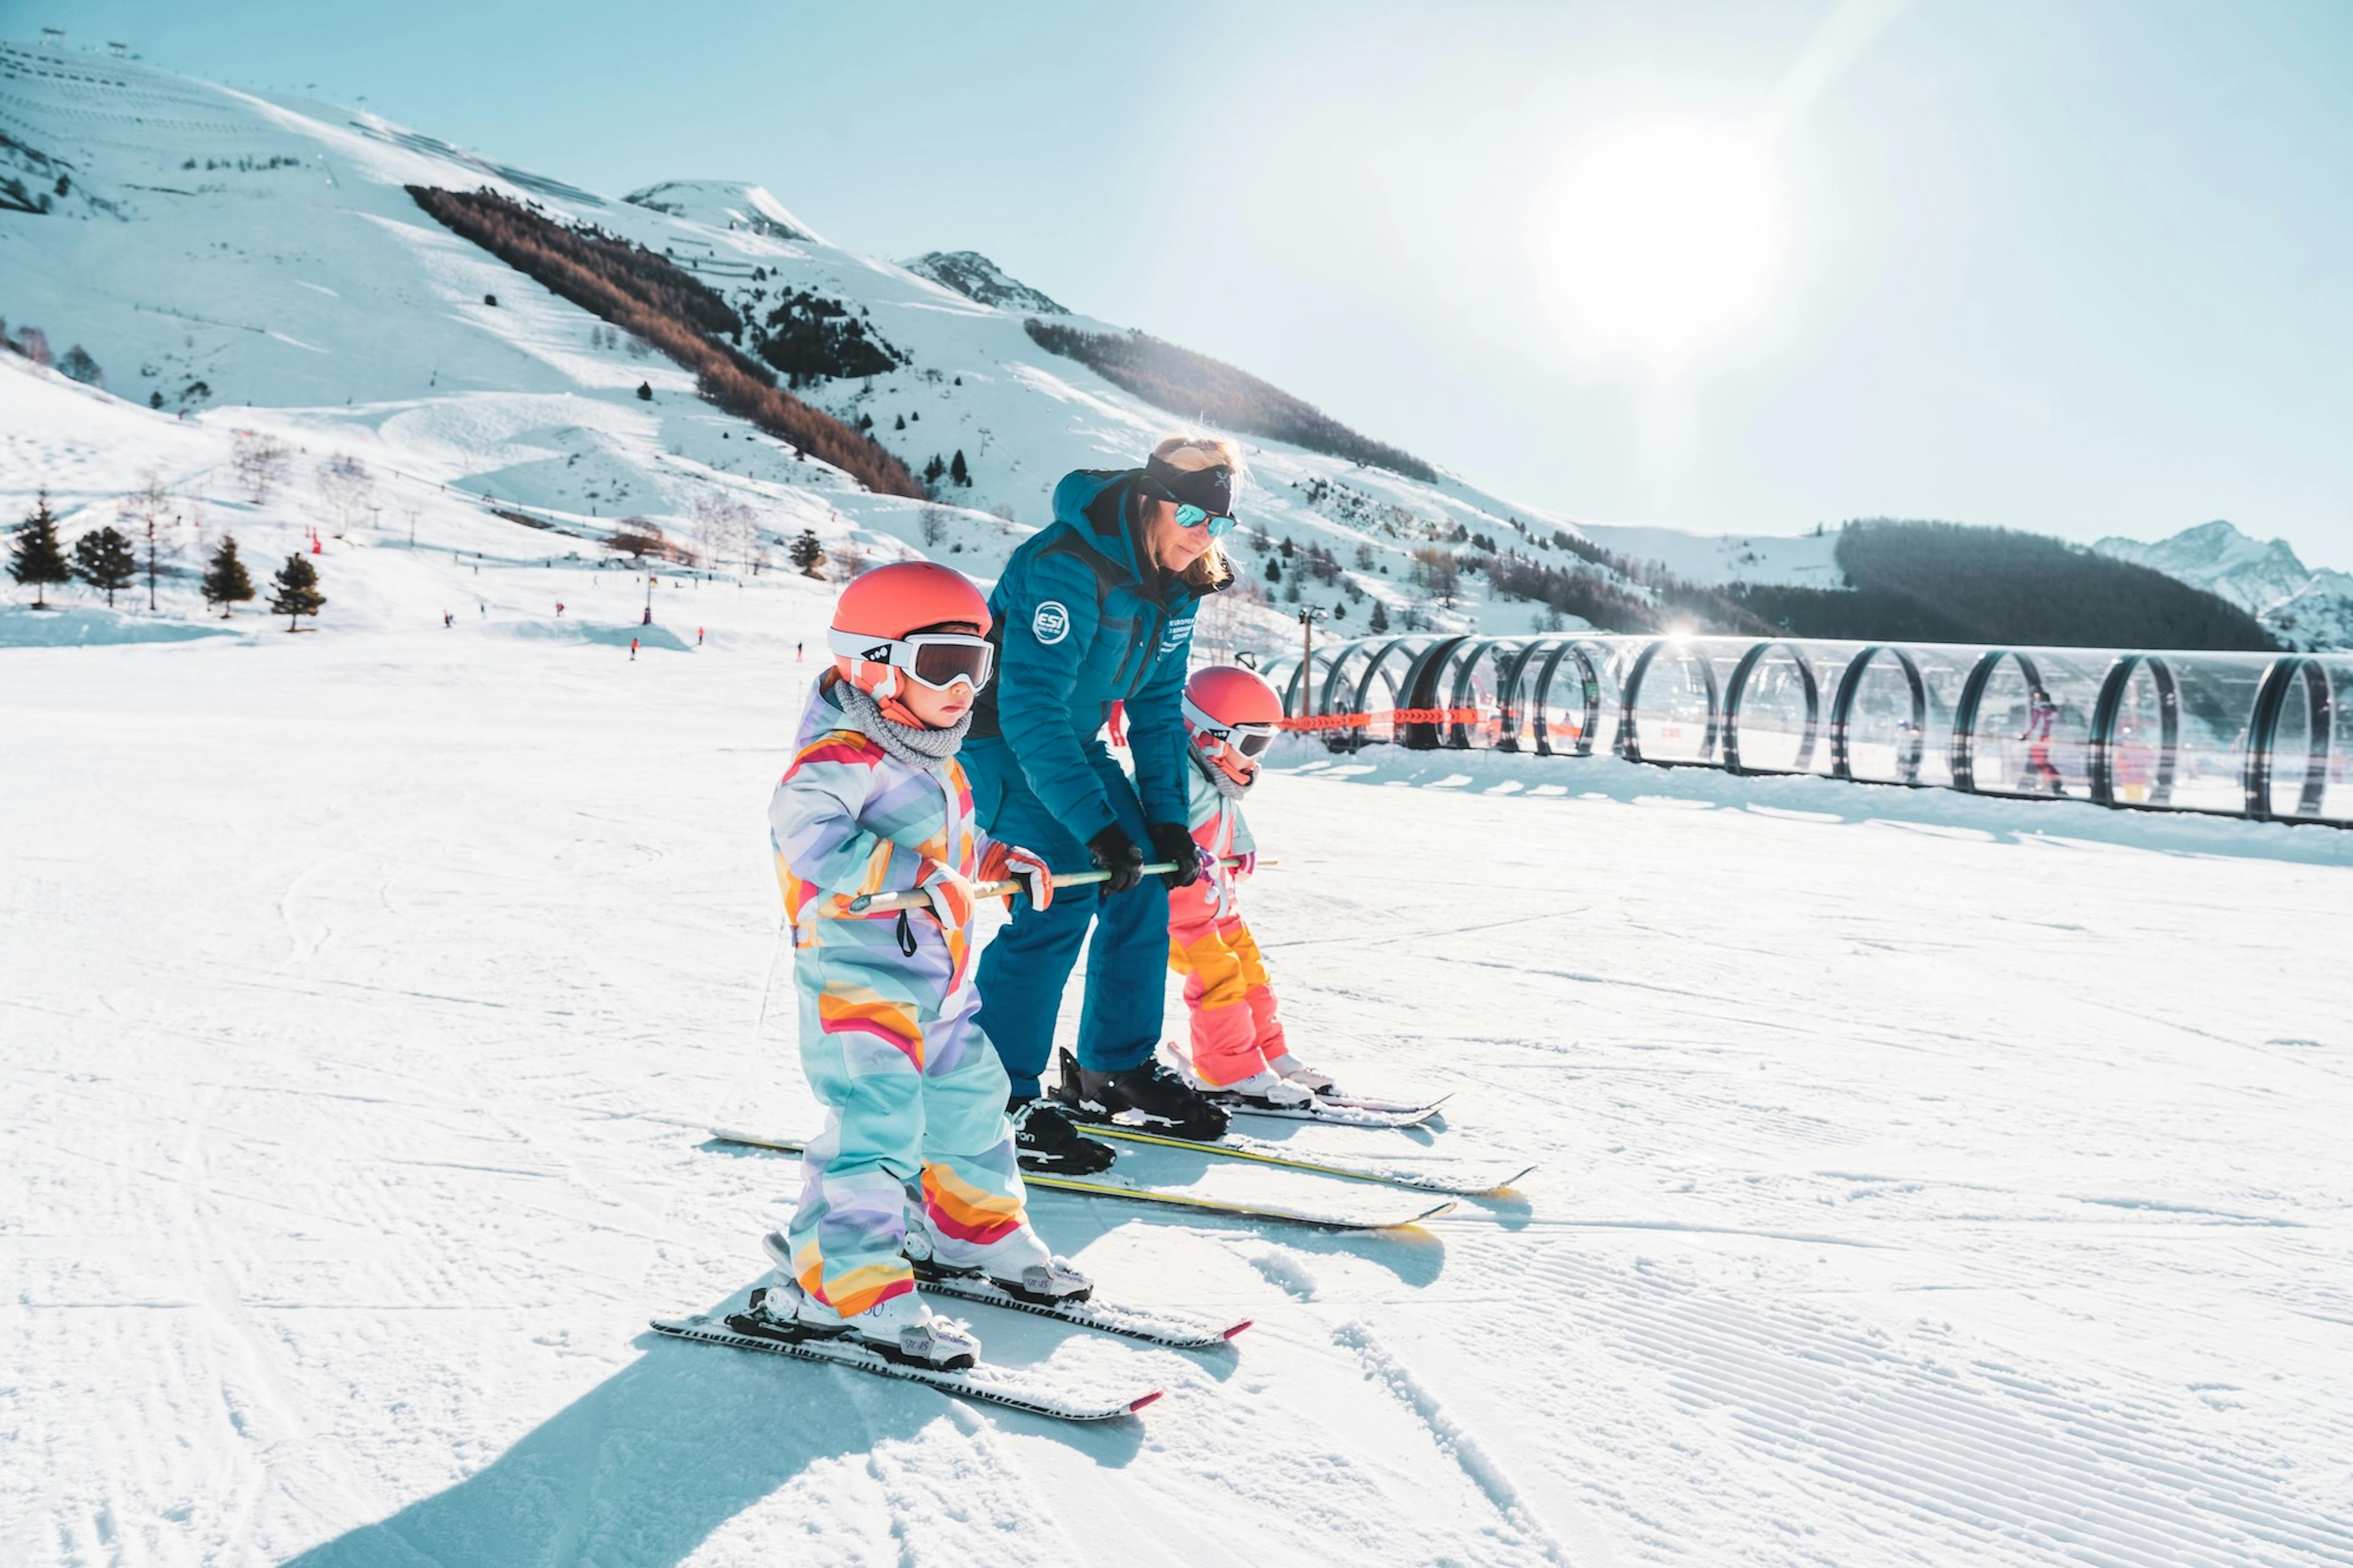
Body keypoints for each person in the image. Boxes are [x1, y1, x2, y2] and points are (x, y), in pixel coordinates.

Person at [754, 561, 1083, 1368]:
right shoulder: (836, 759)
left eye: (979, 665)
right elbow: (809, 840)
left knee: (974, 1108)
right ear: (871, 663)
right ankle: (839, 1283)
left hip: (941, 989)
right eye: (943, 663)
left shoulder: (937, 755)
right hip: (859, 986)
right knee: (878, 1127)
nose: (966, 685)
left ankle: (973, 1231)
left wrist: (1001, 860)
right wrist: (918, 875)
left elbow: (955, 854)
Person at [964, 434, 1241, 1168]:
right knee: (1061, 885)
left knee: (1148, 874)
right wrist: (1094, 827)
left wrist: (1167, 824)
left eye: (1218, 523)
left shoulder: (1178, 583)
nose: (1202, 535)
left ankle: (1112, 1069)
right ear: (1151, 499)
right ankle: (992, 1100)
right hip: (998, 737)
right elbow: (1028, 710)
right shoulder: (1066, 565)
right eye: (1191, 514)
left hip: (1070, 740)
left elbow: (1155, 711)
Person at [1162, 665, 1336, 1108]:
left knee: (1250, 970)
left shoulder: (1214, 774)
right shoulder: (1174, 776)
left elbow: (1226, 814)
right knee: (1218, 976)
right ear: (1207, 736)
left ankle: (1271, 1054)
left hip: (1217, 901)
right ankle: (1227, 1069)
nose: (1257, 758)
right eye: (1251, 743)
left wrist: (1241, 845)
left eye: (1266, 743)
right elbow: (1153, 817)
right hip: (1180, 907)